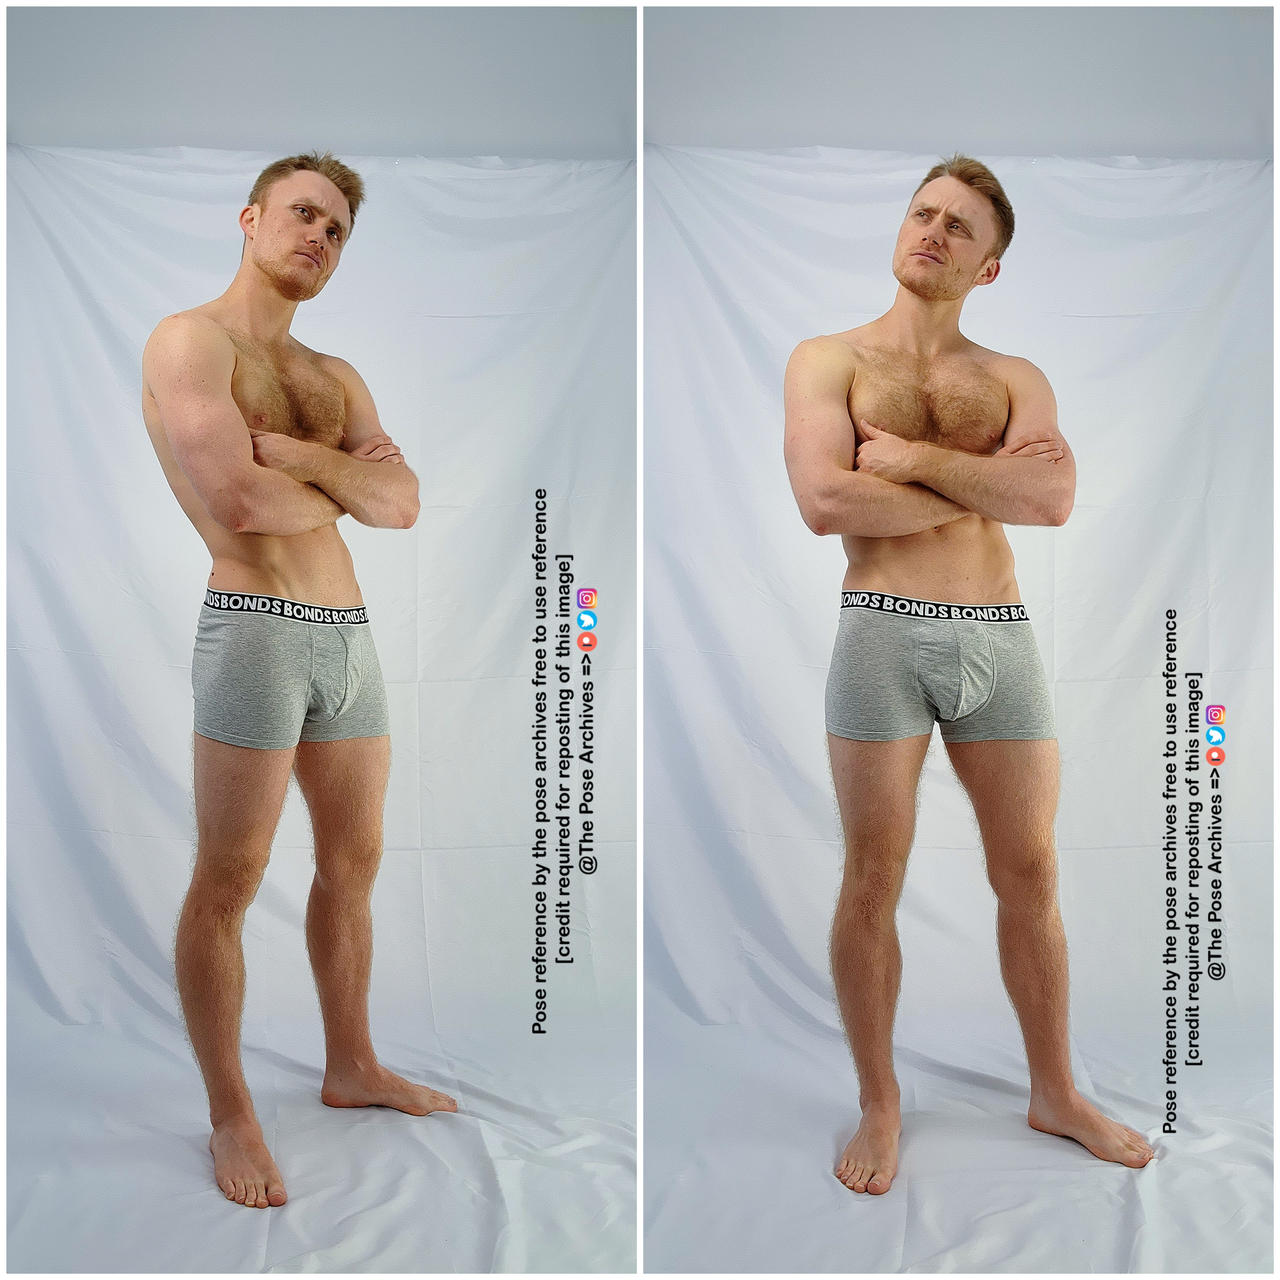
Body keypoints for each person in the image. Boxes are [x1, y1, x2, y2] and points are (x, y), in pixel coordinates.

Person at [783, 153, 1154, 1196]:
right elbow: (823, 502)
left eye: (958, 228)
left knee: (1029, 872)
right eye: (921, 213)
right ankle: (879, 1099)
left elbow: (1053, 502)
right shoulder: (826, 359)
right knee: (871, 875)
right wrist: (987, 484)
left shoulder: (1012, 377)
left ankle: (1055, 1089)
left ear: (987, 267)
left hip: (998, 637)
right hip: (881, 633)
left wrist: (909, 463)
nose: (932, 232)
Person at [141, 151, 456, 1211]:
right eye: (303, 214)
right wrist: (351, 484)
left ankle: (350, 1061)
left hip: (347, 634)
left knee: (356, 858)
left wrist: (311, 461)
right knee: (229, 875)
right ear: (249, 216)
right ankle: (230, 1108)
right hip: (255, 627)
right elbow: (239, 502)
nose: (318, 237)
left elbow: (406, 505)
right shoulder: (190, 341)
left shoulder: (336, 378)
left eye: (336, 230)